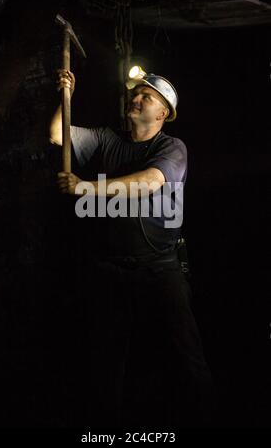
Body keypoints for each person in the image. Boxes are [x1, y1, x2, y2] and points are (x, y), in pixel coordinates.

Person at [49, 68, 214, 428]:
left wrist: (86, 188)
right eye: (135, 93)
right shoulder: (107, 138)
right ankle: (106, 428)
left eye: (146, 96)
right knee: (106, 360)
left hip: (160, 267)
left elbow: (150, 182)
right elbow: (57, 135)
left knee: (185, 355)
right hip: (110, 269)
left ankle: (202, 417)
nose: (136, 98)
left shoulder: (172, 148)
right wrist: (66, 96)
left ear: (163, 113)